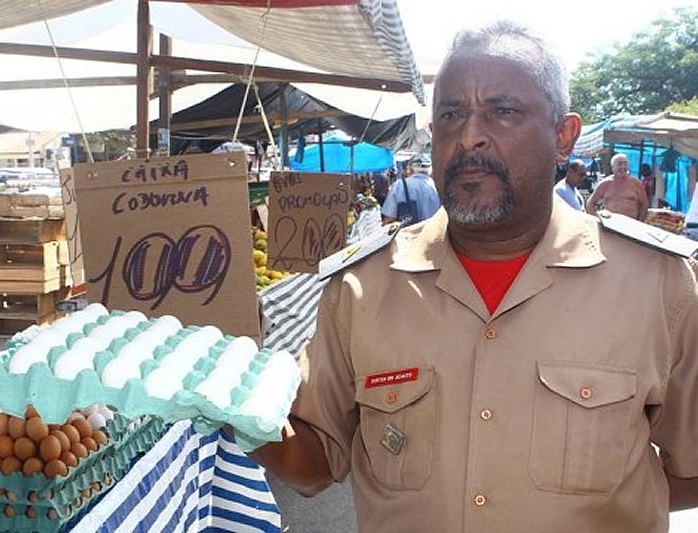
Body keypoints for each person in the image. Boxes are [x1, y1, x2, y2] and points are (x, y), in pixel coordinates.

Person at [247, 20, 698, 533]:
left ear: (563, 137)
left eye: (503, 112)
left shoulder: (659, 286)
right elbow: (315, 463)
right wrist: (240, 410)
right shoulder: (361, 289)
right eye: (450, 114)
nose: (469, 137)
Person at [585, 153, 649, 220]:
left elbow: (644, 205)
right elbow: (590, 204)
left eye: (625, 164)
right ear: (612, 167)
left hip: (631, 225)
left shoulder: (636, 184)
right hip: (610, 225)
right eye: (620, 164)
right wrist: (596, 219)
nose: (623, 167)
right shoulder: (604, 184)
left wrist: (639, 222)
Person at [380, 157, 440, 224]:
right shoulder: (438, 186)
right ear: (430, 171)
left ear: (410, 169)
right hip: (435, 232)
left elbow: (390, 218)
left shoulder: (400, 185)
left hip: (408, 232)